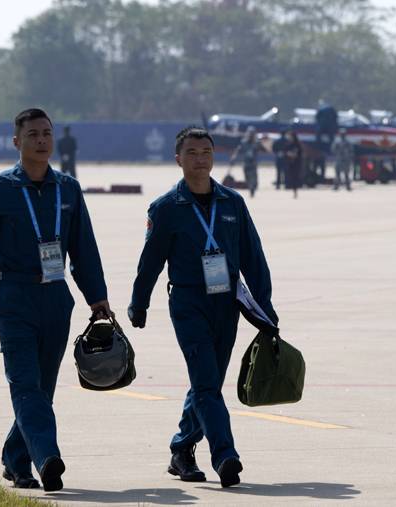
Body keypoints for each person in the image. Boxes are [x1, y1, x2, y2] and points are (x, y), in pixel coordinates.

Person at [0, 108, 111, 492]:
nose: (42, 140)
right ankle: (46, 458)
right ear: (17, 142)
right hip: (13, 295)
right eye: (33, 134)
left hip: (56, 296)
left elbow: (85, 248)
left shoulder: (68, 189)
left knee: (42, 387)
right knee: (25, 383)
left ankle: (16, 459)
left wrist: (97, 298)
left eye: (46, 133)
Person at [127, 126, 279, 488]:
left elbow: (254, 259)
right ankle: (225, 455)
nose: (200, 159)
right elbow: (150, 261)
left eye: (206, 152)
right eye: (192, 153)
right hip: (188, 302)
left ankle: (181, 448)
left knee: (205, 382)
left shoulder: (232, 203)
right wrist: (139, 301)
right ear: (178, 159)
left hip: (227, 302)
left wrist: (265, 308)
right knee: (208, 384)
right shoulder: (166, 209)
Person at [230, 126, 261, 198]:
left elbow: (264, 149)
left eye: (252, 133)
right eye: (250, 133)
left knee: (253, 178)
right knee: (247, 178)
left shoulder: (257, 143)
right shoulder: (243, 142)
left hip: (253, 163)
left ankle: (252, 189)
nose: (251, 135)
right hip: (246, 163)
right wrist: (233, 158)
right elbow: (238, 150)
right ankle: (250, 187)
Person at [284, 129, 304, 199]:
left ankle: (295, 190)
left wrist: (294, 155)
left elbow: (300, 153)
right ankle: (292, 188)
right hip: (290, 163)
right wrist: (288, 154)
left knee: (296, 177)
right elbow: (285, 152)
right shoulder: (288, 144)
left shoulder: (298, 145)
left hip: (296, 163)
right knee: (291, 177)